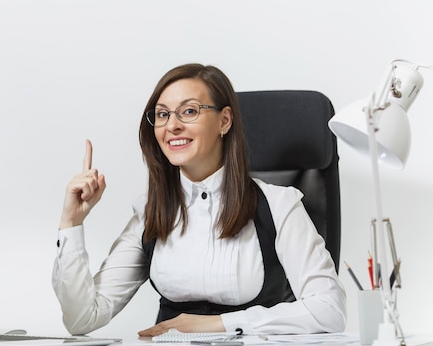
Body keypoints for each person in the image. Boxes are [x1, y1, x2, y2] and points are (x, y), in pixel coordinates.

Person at [52, 63, 346, 337]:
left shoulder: (279, 205)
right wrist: (71, 223)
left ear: (225, 120)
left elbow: (329, 310)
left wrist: (220, 324)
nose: (172, 126)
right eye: (163, 114)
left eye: (189, 112)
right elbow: (82, 320)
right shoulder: (150, 212)